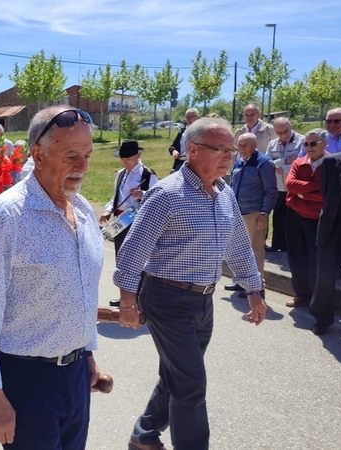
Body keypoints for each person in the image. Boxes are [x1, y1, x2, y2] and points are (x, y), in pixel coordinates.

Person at [115, 118, 266, 450]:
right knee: (191, 384)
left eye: (232, 149)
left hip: (203, 302)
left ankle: (143, 434)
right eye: (221, 149)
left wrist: (254, 290)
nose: (230, 156)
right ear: (193, 150)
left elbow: (239, 246)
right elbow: (131, 252)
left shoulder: (224, 194)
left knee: (179, 376)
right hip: (167, 299)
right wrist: (127, 303)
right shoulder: (166, 194)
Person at [0, 106, 104, 449]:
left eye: (87, 155)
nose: (82, 167)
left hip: (75, 375)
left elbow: (82, 291)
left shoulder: (81, 209)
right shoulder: (8, 216)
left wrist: (87, 354)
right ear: (38, 155)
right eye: (71, 155)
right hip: (27, 382)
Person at [309, 124, 341, 337]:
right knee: (324, 277)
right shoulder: (331, 162)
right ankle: (322, 319)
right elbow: (327, 196)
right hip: (331, 229)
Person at [223, 133, 277, 296]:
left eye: (245, 145)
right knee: (238, 250)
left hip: (254, 214)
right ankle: (241, 281)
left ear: (255, 145)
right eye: (239, 145)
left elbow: (271, 191)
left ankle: (257, 287)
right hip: (237, 213)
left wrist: (264, 213)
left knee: (255, 251)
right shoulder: (239, 161)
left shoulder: (264, 163)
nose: (241, 149)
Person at [283, 129, 327, 308]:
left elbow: (327, 194)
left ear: (324, 144)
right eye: (306, 144)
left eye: (313, 143)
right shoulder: (299, 163)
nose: (309, 147)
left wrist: (302, 194)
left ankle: (317, 299)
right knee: (295, 256)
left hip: (317, 219)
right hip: (294, 216)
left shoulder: (332, 164)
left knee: (315, 259)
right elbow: (289, 184)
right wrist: (315, 189)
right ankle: (301, 294)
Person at [100, 140, 158, 256]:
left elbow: (157, 198)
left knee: (136, 255)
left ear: (138, 155)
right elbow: (116, 196)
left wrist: (142, 194)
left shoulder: (148, 174)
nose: (125, 162)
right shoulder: (120, 173)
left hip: (138, 220)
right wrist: (108, 210)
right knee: (120, 253)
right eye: (122, 159)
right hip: (120, 220)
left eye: (129, 159)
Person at [264, 118, 304, 252]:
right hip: (279, 186)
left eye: (285, 131)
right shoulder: (272, 144)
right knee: (278, 216)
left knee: (294, 217)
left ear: (291, 126)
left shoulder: (302, 141)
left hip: (294, 186)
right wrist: (285, 160)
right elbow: (268, 163)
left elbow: (302, 161)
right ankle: (277, 244)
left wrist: (284, 168)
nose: (283, 135)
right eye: (279, 133)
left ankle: (292, 246)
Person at [168, 108, 199, 172]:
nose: (189, 119)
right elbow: (172, 147)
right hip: (180, 164)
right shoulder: (181, 132)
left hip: (196, 165)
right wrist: (174, 151)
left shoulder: (202, 133)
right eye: (187, 117)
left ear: (197, 117)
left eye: (191, 117)